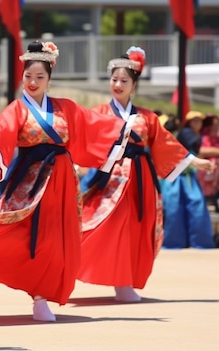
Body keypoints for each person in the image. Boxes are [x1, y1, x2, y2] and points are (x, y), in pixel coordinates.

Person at [0, 40, 127, 322]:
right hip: (31, 180)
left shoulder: (66, 108)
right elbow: (0, 131)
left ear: (49, 79)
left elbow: (93, 126)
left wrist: (124, 128)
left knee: (56, 238)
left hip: (62, 180)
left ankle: (44, 293)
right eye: (28, 76)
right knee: (27, 235)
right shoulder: (17, 109)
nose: (33, 82)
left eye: (39, 77)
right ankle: (38, 296)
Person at [78, 47, 215, 303]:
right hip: (110, 179)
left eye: (124, 81)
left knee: (134, 229)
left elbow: (167, 144)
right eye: (114, 79)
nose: (117, 84)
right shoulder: (98, 113)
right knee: (103, 226)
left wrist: (196, 162)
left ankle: (124, 282)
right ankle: (75, 265)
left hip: (140, 179)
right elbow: (81, 140)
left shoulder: (147, 117)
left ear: (134, 86)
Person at [160, 111, 216, 249]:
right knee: (175, 207)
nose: (198, 123)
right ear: (189, 123)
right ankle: (174, 242)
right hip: (178, 176)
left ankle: (199, 241)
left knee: (196, 206)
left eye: (199, 121)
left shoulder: (198, 135)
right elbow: (201, 150)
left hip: (190, 176)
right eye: (194, 121)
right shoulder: (186, 132)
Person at [196, 114, 219, 212]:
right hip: (204, 173)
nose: (215, 128)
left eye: (217, 125)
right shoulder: (202, 137)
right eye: (213, 125)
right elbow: (201, 151)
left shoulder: (217, 137)